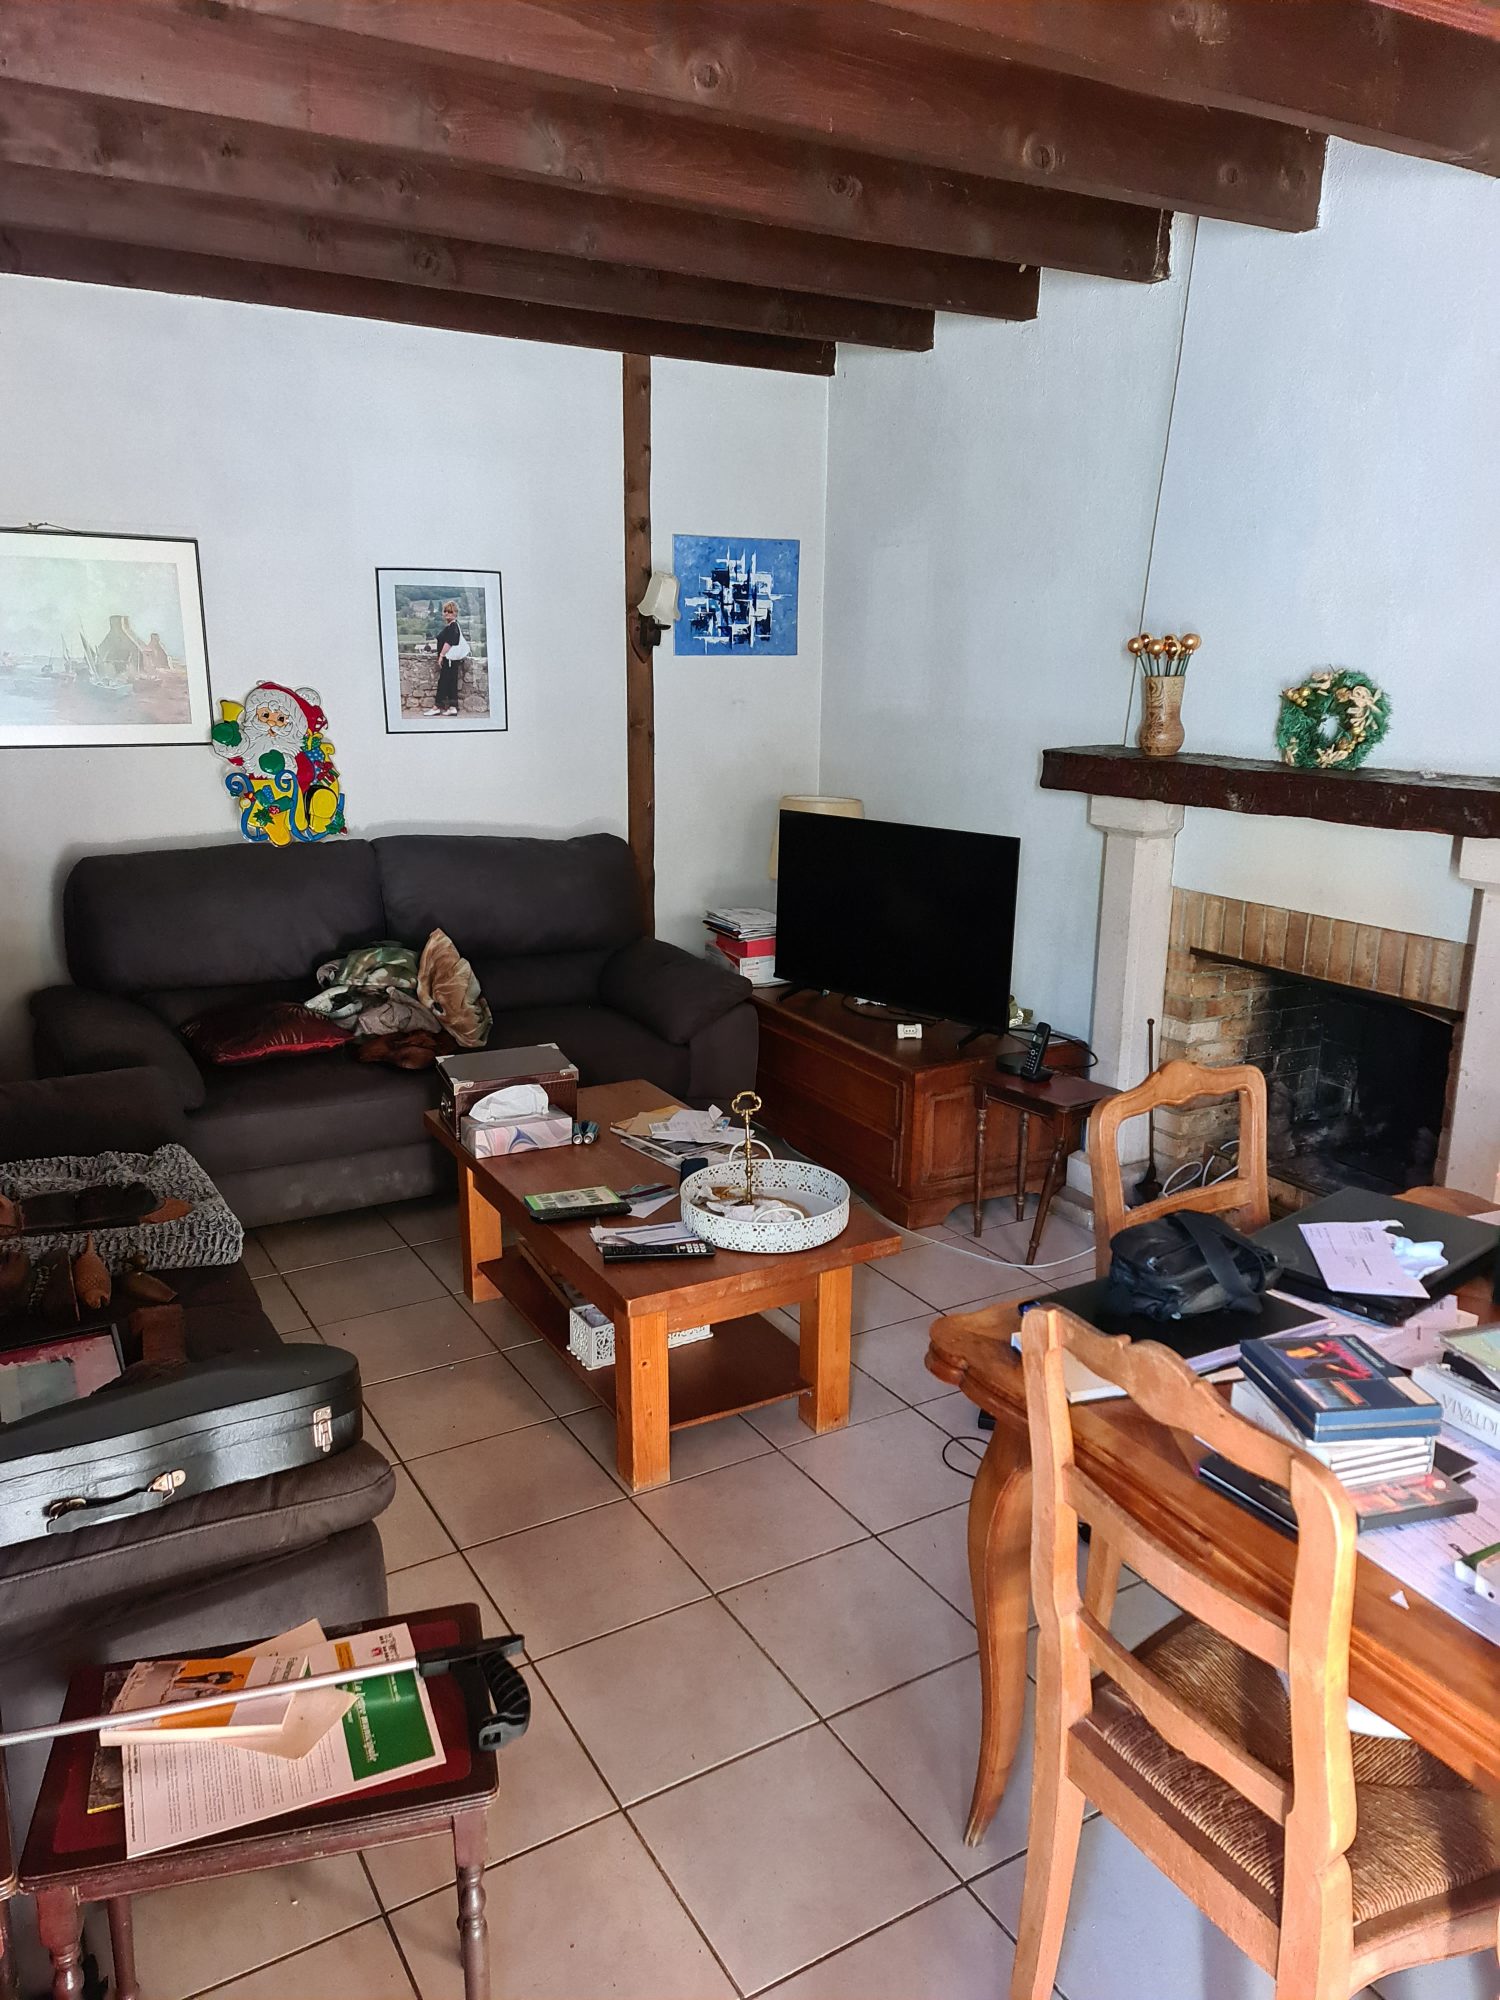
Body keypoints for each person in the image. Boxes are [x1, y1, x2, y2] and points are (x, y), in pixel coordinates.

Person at [424, 600, 470, 717]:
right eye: (445, 611)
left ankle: (437, 707)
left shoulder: (452, 627)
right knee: (451, 683)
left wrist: (441, 656)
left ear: (455, 613)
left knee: (443, 683)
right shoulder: (453, 626)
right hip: (452, 660)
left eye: (449, 612)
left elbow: (448, 643)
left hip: (448, 659)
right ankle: (452, 707)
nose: (446, 614)